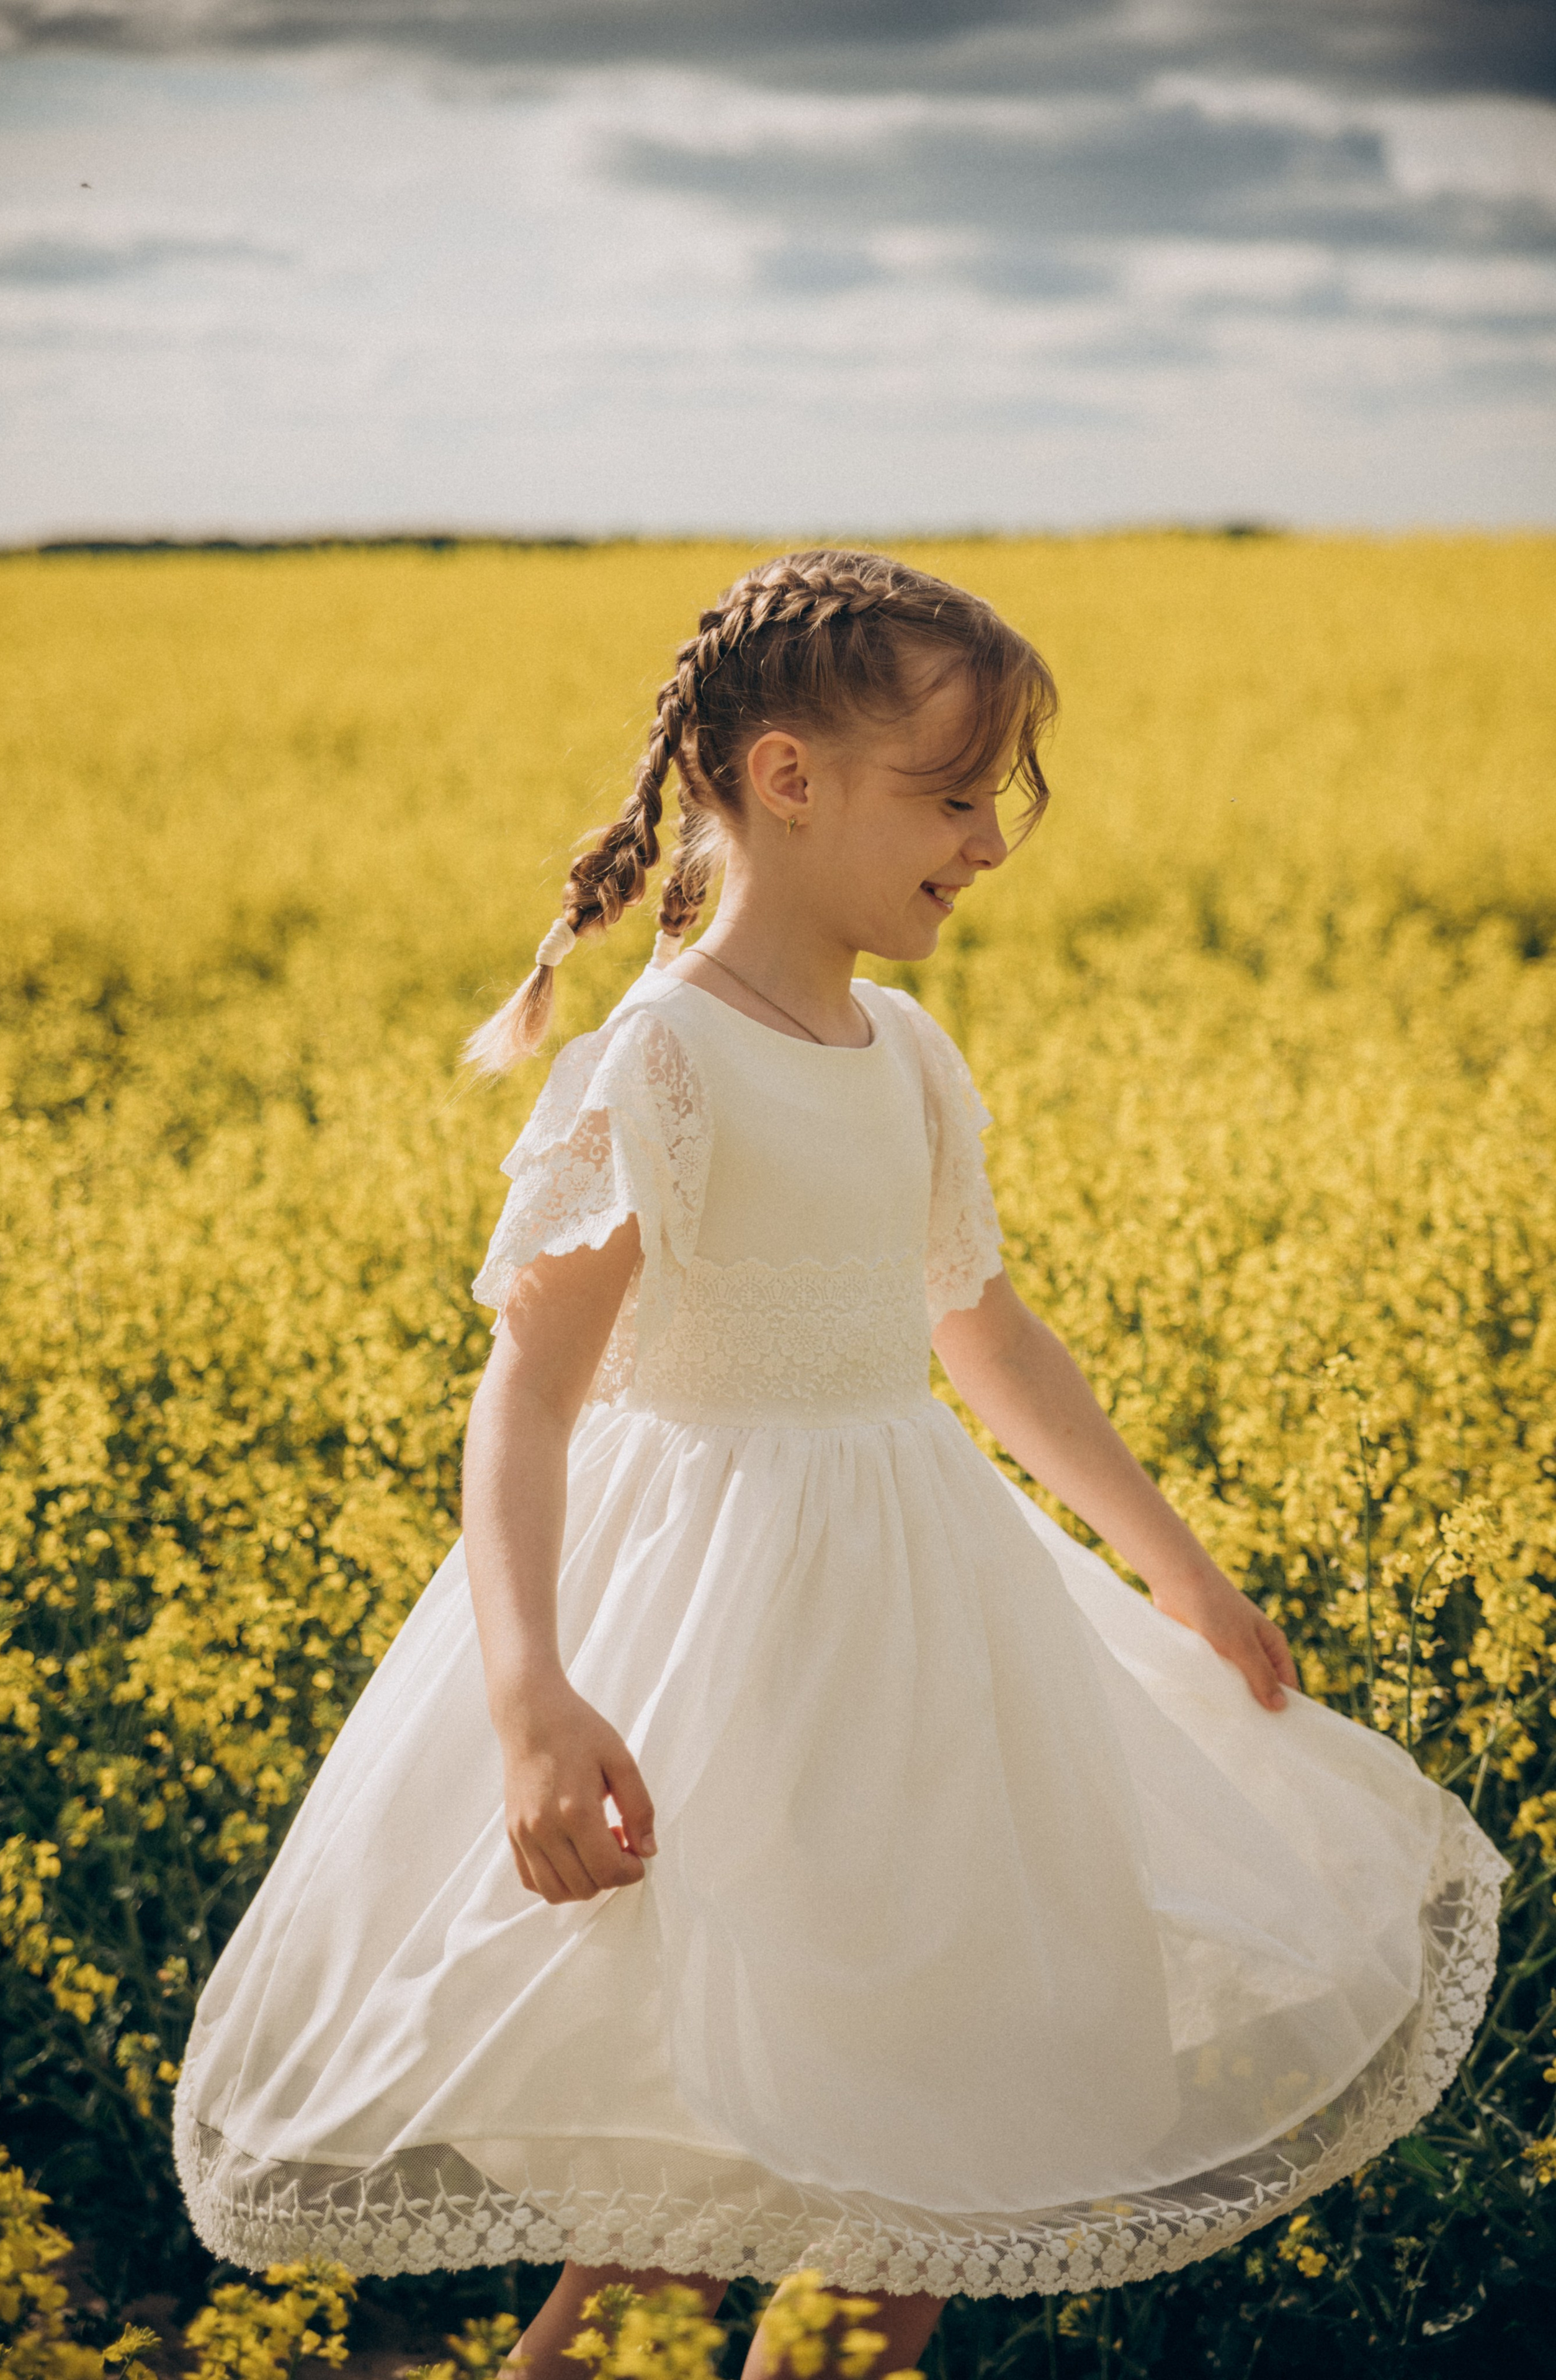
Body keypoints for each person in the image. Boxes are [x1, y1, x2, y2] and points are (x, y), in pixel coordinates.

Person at [175, 550, 1505, 2380]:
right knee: (663, 2250)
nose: (991, 842)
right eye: (953, 796)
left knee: (912, 2220)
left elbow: (983, 1330)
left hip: (925, 1666)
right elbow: (528, 1399)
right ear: (789, 779)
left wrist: (1176, 1567)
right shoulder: (660, 1062)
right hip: (717, 1675)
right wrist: (530, 1694)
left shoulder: (909, 1051)